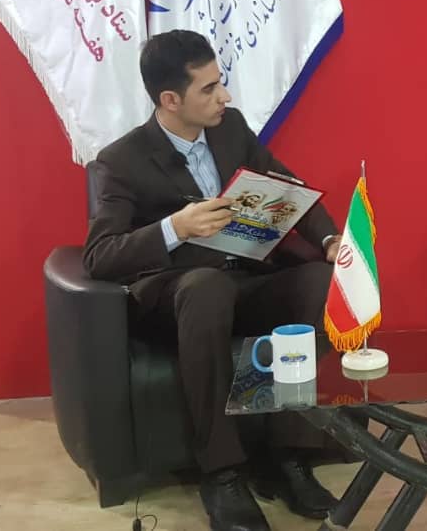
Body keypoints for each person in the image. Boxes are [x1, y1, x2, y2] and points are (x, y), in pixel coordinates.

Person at [83, 30, 342, 531]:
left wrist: (331, 241)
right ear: (170, 100)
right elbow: (99, 256)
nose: (224, 96)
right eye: (209, 89)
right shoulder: (121, 161)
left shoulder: (231, 128)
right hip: (180, 296)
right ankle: (222, 473)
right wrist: (174, 228)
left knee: (317, 281)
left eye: (220, 82)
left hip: (244, 278)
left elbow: (287, 187)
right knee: (206, 288)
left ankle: (287, 457)